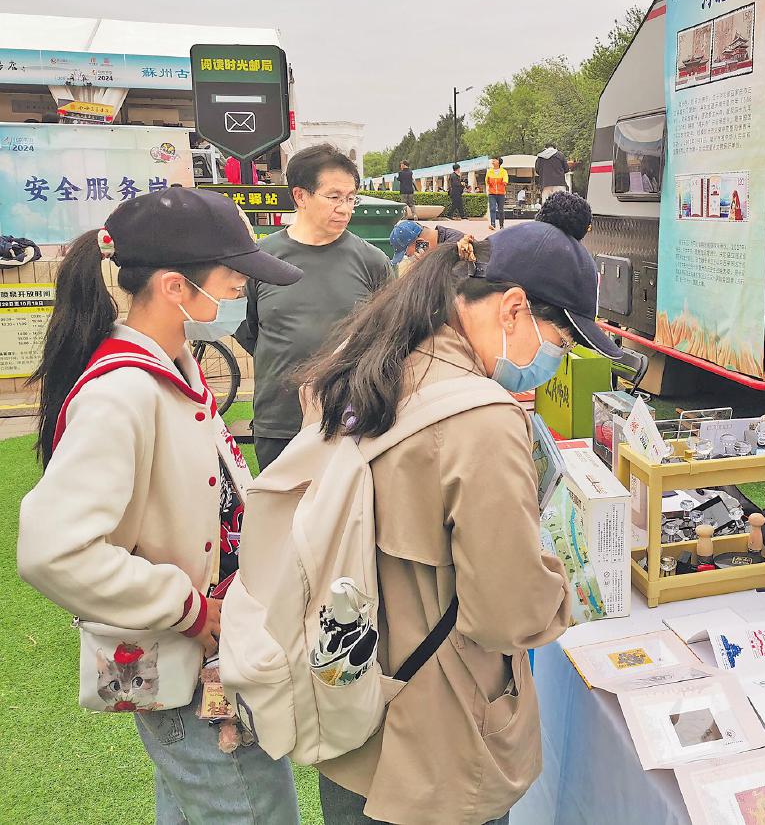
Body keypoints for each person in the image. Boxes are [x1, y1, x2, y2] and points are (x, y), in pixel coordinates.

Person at [301, 213, 622, 825]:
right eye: (561, 341)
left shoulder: (374, 357)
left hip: (352, 698)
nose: (556, 359)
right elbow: (506, 613)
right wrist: (563, 588)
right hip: (435, 736)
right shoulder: (483, 418)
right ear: (514, 309)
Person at [18, 188, 303, 823]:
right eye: (232, 281)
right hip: (186, 673)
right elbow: (52, 551)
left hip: (202, 665)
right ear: (176, 287)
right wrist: (188, 608)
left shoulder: (171, 370)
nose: (240, 294)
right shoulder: (123, 392)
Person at [234, 143, 392, 471]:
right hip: (279, 422)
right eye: (334, 197)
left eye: (351, 198)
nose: (345, 208)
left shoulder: (372, 262)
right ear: (300, 196)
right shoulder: (261, 260)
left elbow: (390, 337)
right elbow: (249, 331)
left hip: (351, 420)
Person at [388, 219, 466, 263]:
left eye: (407, 254)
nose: (409, 258)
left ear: (420, 243)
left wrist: (427, 266)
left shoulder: (455, 248)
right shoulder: (440, 246)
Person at [486, 156, 508, 230]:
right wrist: (489, 182)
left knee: (501, 210)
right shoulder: (489, 171)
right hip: (492, 193)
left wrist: (504, 182)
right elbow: (487, 181)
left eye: (495, 160)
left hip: (501, 193)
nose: (493, 161)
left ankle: (501, 225)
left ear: (499, 162)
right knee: (492, 208)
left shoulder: (504, 172)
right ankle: (493, 224)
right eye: (492, 160)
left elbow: (505, 181)